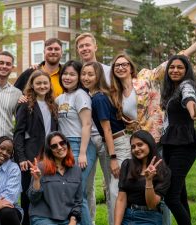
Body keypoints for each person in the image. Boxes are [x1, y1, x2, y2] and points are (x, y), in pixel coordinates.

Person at [109, 36, 196, 225]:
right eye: (116, 65)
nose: (120, 67)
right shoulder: (114, 93)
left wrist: (195, 46)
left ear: (130, 66)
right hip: (138, 143)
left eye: (124, 64)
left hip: (159, 139)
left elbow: (172, 67)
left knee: (166, 189)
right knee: (175, 191)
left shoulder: (145, 77)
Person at [80, 61, 131, 224]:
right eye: (83, 74)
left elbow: (107, 130)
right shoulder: (95, 96)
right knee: (112, 190)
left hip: (118, 144)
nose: (86, 77)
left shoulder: (99, 98)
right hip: (113, 143)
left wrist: (114, 158)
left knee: (116, 191)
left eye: (90, 74)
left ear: (98, 76)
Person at [160, 55, 196, 225]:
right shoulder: (172, 90)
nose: (175, 70)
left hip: (184, 145)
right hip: (171, 144)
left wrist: (193, 112)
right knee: (180, 195)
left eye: (180, 67)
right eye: (172, 67)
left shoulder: (186, 85)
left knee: (171, 197)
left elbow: (189, 98)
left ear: (186, 71)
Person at [75, 32, 111, 224]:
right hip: (85, 137)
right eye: (81, 46)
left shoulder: (109, 71)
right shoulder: (75, 73)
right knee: (85, 187)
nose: (85, 49)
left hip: (107, 136)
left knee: (112, 185)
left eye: (87, 45)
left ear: (95, 47)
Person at [13, 70, 58, 225]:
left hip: (49, 155)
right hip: (30, 156)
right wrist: (21, 157)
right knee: (28, 194)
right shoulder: (26, 104)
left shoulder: (53, 104)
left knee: (46, 191)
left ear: (49, 85)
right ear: (32, 84)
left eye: (45, 83)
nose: (42, 86)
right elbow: (18, 133)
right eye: (38, 83)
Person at [56, 60, 95, 225]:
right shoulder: (60, 98)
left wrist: (83, 153)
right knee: (71, 192)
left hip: (80, 145)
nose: (67, 77)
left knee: (79, 193)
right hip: (65, 147)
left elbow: (87, 124)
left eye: (72, 74)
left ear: (79, 77)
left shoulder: (81, 95)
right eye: (65, 73)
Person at [114, 130, 171, 225]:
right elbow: (121, 199)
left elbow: (151, 205)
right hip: (127, 216)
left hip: (149, 217)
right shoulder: (127, 165)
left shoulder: (163, 171)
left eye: (140, 144)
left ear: (150, 144)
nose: (136, 149)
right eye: (133, 147)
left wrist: (149, 180)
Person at [27, 131, 82, 225]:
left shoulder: (76, 170)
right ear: (49, 150)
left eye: (62, 143)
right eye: (54, 146)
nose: (60, 147)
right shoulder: (40, 168)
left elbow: (78, 202)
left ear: (67, 144)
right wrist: (37, 180)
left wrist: (72, 221)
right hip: (43, 218)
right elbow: (33, 199)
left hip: (67, 219)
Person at [0, 136, 23, 225]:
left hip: (8, 211)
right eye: (2, 148)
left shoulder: (13, 168)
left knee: (7, 211)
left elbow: (8, 199)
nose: (4, 153)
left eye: (9, 152)